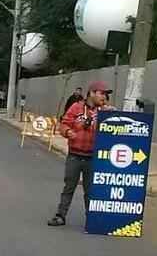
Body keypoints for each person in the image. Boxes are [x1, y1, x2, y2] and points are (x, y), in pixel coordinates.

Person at [47, 80, 112, 228]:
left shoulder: (106, 112)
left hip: (93, 158)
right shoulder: (76, 108)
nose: (104, 97)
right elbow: (64, 124)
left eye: (106, 95)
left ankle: (92, 219)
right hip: (74, 156)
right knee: (69, 187)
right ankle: (60, 216)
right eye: (102, 93)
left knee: (90, 190)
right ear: (92, 93)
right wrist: (68, 132)